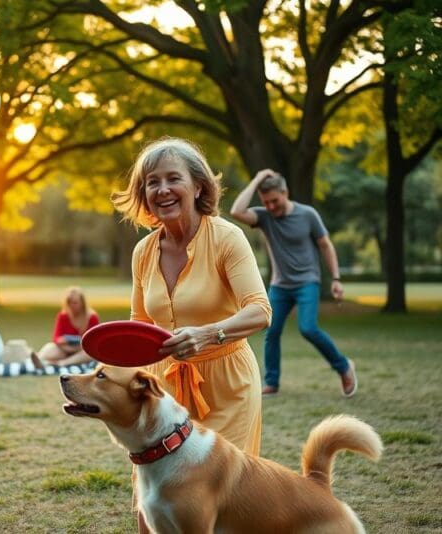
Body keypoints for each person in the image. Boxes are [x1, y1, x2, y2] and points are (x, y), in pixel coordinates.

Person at [112, 137, 272, 455]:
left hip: (228, 384)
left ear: (198, 187)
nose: (162, 189)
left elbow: (260, 310)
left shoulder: (227, 238)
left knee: (223, 490)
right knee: (162, 491)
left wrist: (207, 334)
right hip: (164, 389)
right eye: (152, 182)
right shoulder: (143, 251)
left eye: (174, 178)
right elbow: (140, 323)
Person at [230, 169, 357, 397]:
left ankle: (344, 367)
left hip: (307, 281)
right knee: (271, 330)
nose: (270, 207)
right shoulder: (265, 217)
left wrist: (336, 278)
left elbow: (325, 245)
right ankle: (272, 382)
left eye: (274, 200)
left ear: (285, 192)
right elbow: (236, 211)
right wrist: (257, 180)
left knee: (308, 328)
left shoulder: (308, 215)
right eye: (266, 202)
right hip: (280, 285)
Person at [33, 286, 99, 367]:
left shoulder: (91, 317)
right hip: (64, 348)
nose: (71, 305)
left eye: (75, 303)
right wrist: (62, 342)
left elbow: (94, 341)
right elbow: (56, 338)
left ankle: (63, 363)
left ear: (82, 303)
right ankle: (39, 360)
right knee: (50, 347)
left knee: (90, 353)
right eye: (69, 302)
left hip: (82, 350)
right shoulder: (63, 315)